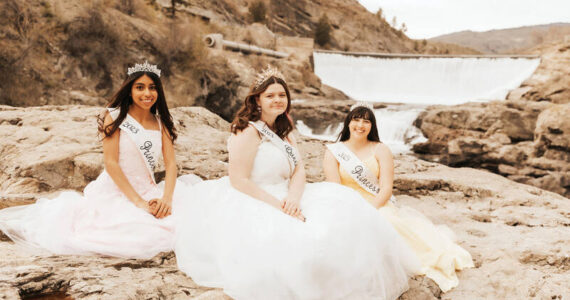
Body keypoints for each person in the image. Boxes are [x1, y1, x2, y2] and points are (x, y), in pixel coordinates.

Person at [174, 66, 420, 300]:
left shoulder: (284, 129)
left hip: (289, 194)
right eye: (270, 95)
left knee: (343, 216)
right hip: (254, 197)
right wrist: (279, 204)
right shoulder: (247, 131)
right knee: (300, 243)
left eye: (282, 95)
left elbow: (298, 169)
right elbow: (238, 180)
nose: (277, 100)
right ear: (257, 100)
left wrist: (293, 197)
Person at [0, 61, 198, 259]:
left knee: (179, 225)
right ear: (129, 91)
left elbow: (171, 164)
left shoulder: (161, 123)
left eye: (152, 88)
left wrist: (166, 199)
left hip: (149, 189)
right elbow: (111, 164)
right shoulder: (115, 117)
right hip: (116, 191)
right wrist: (139, 203)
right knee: (133, 233)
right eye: (140, 87)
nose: (147, 93)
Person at [323, 102, 474, 292]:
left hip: (376, 202)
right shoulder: (334, 151)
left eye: (366, 121)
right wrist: (352, 210)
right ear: (348, 122)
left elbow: (386, 188)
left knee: (386, 224)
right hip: (346, 203)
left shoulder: (380, 149)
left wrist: (369, 210)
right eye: (356, 120)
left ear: (372, 126)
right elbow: (335, 188)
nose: (360, 125)